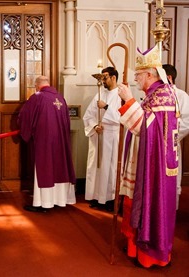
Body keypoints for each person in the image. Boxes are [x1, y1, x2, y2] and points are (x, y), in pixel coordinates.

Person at [117, 44, 178, 268]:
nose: (136, 79)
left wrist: (129, 101)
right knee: (136, 202)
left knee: (150, 203)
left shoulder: (162, 95)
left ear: (150, 74)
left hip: (155, 165)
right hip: (150, 159)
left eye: (138, 75)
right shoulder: (156, 93)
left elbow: (146, 129)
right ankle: (135, 248)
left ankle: (149, 254)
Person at [18, 75, 76, 213]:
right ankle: (59, 200)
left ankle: (43, 203)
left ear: (37, 85)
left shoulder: (37, 97)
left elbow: (25, 116)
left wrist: (25, 129)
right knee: (59, 167)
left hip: (44, 141)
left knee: (45, 168)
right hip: (60, 142)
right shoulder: (61, 98)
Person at [83, 67, 121, 212]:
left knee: (110, 167)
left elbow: (122, 117)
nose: (102, 81)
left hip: (112, 136)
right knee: (96, 166)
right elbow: (88, 115)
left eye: (105, 77)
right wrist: (94, 126)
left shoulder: (120, 94)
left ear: (113, 77)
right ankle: (96, 196)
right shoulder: (100, 94)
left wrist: (106, 107)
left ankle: (110, 198)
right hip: (98, 135)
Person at [163, 64, 189, 209]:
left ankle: (171, 207)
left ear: (169, 77)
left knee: (172, 176)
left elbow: (187, 120)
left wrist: (172, 137)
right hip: (155, 144)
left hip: (171, 144)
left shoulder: (181, 96)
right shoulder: (155, 94)